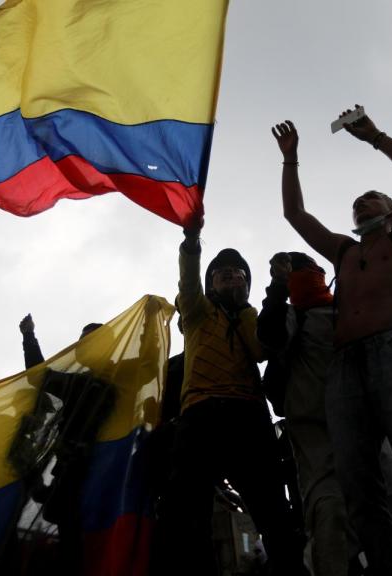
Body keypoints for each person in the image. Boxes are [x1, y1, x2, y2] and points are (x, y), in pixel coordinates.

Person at [272, 110, 392, 575]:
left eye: (371, 197)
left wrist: (374, 137)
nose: (361, 203)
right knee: (359, 490)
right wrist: (291, 160)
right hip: (345, 369)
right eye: (357, 201)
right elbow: (296, 215)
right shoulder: (343, 251)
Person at [258, 251, 392, 576]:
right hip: (316, 434)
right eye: (295, 272)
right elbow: (270, 336)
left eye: (305, 269)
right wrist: (277, 287)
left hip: (368, 428)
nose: (302, 277)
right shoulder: (293, 315)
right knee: (329, 513)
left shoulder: (350, 311)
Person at [154, 219, 305, 576]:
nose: (231, 275)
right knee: (186, 511)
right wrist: (191, 240)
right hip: (199, 414)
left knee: (271, 510)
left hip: (248, 415)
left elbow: (260, 349)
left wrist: (255, 303)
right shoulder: (196, 311)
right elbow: (187, 280)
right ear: (210, 283)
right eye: (221, 272)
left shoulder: (251, 315)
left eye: (238, 272)